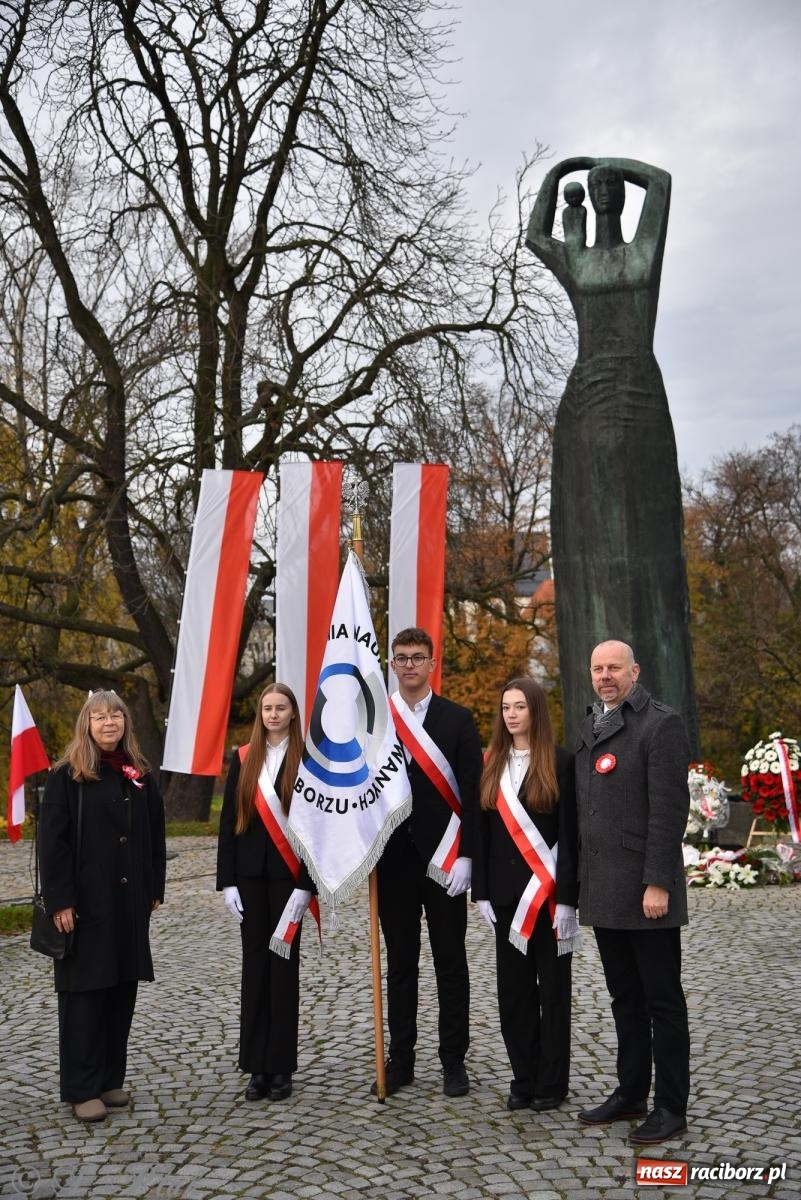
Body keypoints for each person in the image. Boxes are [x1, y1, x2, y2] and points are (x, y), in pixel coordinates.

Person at [575, 640, 691, 1146]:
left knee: (662, 1001)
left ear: (634, 671)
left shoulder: (661, 725)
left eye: (614, 668)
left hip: (646, 891)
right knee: (625, 998)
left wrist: (658, 882)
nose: (605, 676)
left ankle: (671, 1106)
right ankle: (631, 1093)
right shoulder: (591, 723)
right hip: (605, 888)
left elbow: (669, 811)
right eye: (598, 668)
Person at [38, 690, 166, 1123]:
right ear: (87, 724)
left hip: (129, 903)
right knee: (85, 995)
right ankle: (82, 1087)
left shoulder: (138, 773)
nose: (109, 723)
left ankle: (111, 1078)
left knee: (120, 989)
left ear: (126, 722)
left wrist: (154, 886)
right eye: (99, 717)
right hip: (84, 905)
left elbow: (155, 834)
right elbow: (52, 844)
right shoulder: (66, 775)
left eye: (116, 716)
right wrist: (60, 900)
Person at [375, 627, 483, 1097]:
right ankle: (400, 1060)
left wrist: (469, 856)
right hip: (392, 862)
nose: (410, 665)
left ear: (432, 663)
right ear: (392, 665)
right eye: (401, 657)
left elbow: (474, 793)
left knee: (450, 963)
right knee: (400, 965)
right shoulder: (377, 722)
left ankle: (453, 1060)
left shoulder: (458, 719)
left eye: (417, 657)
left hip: (445, 860)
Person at [473, 678, 578, 1113]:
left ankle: (552, 1082)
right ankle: (524, 1076)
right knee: (513, 993)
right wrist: (481, 892)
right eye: (506, 707)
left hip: (549, 899)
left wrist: (569, 899)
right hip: (505, 898)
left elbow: (571, 835)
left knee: (553, 992)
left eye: (520, 706)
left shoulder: (562, 762)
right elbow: (480, 832)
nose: (512, 714)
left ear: (536, 711)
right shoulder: (490, 763)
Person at [216, 683, 315, 1103]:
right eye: (267, 708)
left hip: (289, 878)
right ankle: (256, 1066)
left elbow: (317, 828)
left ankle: (281, 1067)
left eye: (281, 707)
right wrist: (227, 881)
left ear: (293, 713)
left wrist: (307, 886)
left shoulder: (309, 759)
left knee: (282, 969)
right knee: (254, 968)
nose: (273, 714)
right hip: (250, 878)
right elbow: (228, 822)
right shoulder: (243, 758)